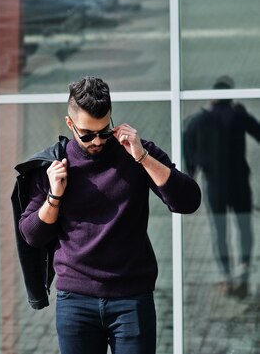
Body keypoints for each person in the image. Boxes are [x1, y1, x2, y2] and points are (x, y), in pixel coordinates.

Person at [17, 76, 201, 354]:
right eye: (87, 134)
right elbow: (31, 234)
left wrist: (142, 158)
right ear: (70, 125)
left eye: (104, 131)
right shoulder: (55, 164)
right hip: (75, 301)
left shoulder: (136, 153)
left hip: (131, 298)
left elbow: (188, 201)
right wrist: (54, 196)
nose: (97, 141)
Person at [183, 74, 260, 298]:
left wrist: (192, 173)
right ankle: (244, 269)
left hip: (215, 185)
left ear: (213, 98)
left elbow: (188, 145)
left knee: (220, 231)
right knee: (244, 228)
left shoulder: (199, 120)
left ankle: (226, 275)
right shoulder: (238, 116)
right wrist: (243, 113)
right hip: (239, 184)